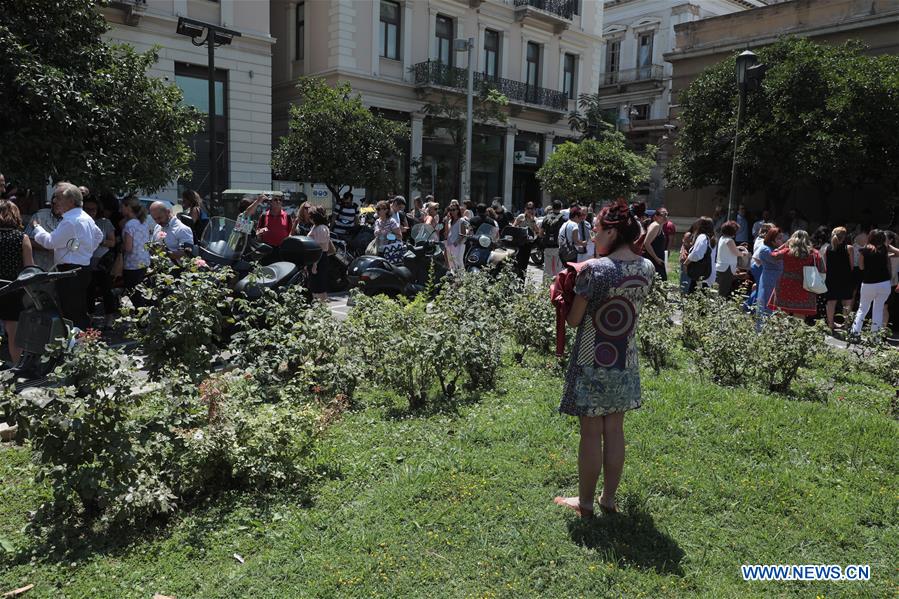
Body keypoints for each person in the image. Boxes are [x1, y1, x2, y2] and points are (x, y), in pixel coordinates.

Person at [554, 200, 655, 518]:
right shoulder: (646, 268)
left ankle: (584, 504)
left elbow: (573, 320)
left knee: (590, 433)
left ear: (612, 231)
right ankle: (608, 500)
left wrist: (559, 295)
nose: (593, 237)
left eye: (596, 231)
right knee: (615, 431)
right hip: (625, 361)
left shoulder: (595, 271)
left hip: (591, 361)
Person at [30, 183, 102, 329]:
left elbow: (50, 242)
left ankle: (78, 346)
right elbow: (98, 236)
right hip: (82, 269)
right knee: (78, 310)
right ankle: (84, 344)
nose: (54, 201)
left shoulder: (70, 220)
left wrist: (37, 228)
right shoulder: (84, 217)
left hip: (69, 271)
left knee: (72, 313)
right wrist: (85, 251)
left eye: (57, 197)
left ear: (70, 201)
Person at [0, 200, 35, 363]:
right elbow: (29, 268)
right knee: (14, 332)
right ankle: (15, 365)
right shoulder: (22, 238)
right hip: (13, 288)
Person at [850, 229, 899, 336]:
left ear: (870, 237)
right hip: (884, 283)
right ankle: (875, 337)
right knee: (878, 310)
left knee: (862, 309)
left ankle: (854, 333)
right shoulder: (885, 248)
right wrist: (888, 256)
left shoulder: (865, 250)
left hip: (869, 283)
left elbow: (862, 267)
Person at [768, 230, 824, 318]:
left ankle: (778, 331)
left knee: (781, 313)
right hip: (804, 284)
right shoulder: (814, 253)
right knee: (800, 313)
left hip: (785, 284)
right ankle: (796, 331)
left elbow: (773, 255)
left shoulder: (786, 251)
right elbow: (822, 269)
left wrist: (783, 246)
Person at [83, 197, 117, 327]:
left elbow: (112, 242)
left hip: (102, 262)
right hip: (87, 262)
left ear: (98, 210)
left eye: (93, 209)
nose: (91, 212)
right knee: (89, 291)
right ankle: (90, 317)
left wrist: (98, 241)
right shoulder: (81, 222)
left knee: (106, 291)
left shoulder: (104, 222)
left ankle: (109, 319)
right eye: (87, 209)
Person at [120, 196, 151, 310]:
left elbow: (128, 247)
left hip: (132, 263)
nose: (120, 210)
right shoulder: (143, 223)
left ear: (128, 207)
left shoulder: (129, 225)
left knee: (133, 293)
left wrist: (120, 246)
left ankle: (141, 320)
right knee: (142, 292)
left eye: (122, 207)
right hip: (144, 261)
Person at [823, 227, 855, 330]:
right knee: (847, 302)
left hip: (831, 278)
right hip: (846, 278)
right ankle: (846, 324)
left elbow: (824, 266)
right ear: (845, 236)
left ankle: (830, 324)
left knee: (831, 302)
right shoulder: (849, 248)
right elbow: (851, 266)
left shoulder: (827, 248)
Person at [755, 227, 785, 327]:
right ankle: (761, 329)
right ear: (772, 240)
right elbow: (775, 257)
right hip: (769, 279)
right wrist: (786, 246)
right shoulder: (765, 249)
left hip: (778, 278)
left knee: (776, 305)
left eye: (782, 238)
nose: (782, 240)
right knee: (766, 302)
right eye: (779, 238)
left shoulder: (775, 248)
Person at [714, 220, 748, 297]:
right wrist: (743, 254)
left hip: (721, 266)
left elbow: (729, 249)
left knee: (719, 288)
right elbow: (736, 253)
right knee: (724, 290)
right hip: (727, 268)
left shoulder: (722, 238)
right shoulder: (730, 240)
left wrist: (737, 248)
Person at [683, 216, 716, 293]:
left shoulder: (702, 237)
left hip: (699, 273)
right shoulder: (711, 238)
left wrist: (686, 263)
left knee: (694, 297)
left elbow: (696, 254)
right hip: (707, 272)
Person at [256, 195, 292, 262]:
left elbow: (290, 232)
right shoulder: (264, 216)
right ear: (270, 202)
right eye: (275, 200)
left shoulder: (287, 216)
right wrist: (260, 232)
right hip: (267, 249)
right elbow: (257, 231)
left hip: (282, 249)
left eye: (280, 200)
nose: (278, 201)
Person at [308, 205, 332, 303]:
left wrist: (315, 264)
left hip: (319, 259)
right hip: (315, 258)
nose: (309, 218)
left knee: (319, 286)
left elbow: (320, 248)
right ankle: (320, 308)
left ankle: (322, 309)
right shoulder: (316, 227)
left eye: (311, 216)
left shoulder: (321, 228)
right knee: (316, 285)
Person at [374, 200, 405, 265]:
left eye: (379, 209)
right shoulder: (377, 221)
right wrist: (377, 233)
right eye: (376, 209)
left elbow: (399, 237)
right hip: (379, 251)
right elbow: (376, 233)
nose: (377, 211)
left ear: (386, 210)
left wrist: (388, 235)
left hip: (390, 252)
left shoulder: (392, 221)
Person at [642, 208, 669, 281]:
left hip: (658, 260)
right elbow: (646, 243)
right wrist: (656, 258)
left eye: (667, 214)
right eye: (663, 215)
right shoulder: (655, 226)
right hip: (654, 260)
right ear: (655, 216)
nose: (665, 217)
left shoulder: (659, 226)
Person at [444, 203, 467, 271]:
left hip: (459, 245)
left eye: (454, 210)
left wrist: (456, 243)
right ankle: (454, 279)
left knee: (459, 262)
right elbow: (446, 233)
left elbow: (463, 234)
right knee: (452, 263)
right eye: (450, 210)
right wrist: (447, 221)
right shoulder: (450, 221)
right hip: (450, 244)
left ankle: (463, 279)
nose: (452, 211)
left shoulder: (461, 220)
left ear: (458, 210)